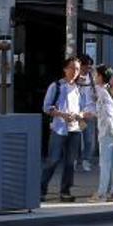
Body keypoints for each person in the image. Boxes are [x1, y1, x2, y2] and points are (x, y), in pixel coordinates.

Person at [40, 56, 86, 202]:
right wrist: (62, 114)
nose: (74, 71)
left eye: (77, 69)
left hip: (74, 129)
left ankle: (65, 191)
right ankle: (41, 189)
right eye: (72, 68)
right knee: (53, 160)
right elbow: (46, 108)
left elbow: (84, 108)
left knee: (70, 162)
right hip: (59, 128)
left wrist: (79, 115)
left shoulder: (79, 88)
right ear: (65, 69)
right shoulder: (56, 86)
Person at [88, 65, 113, 202]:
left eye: (95, 74)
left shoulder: (102, 91)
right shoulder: (111, 89)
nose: (94, 76)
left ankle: (101, 194)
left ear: (100, 76)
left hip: (107, 132)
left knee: (105, 164)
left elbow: (109, 114)